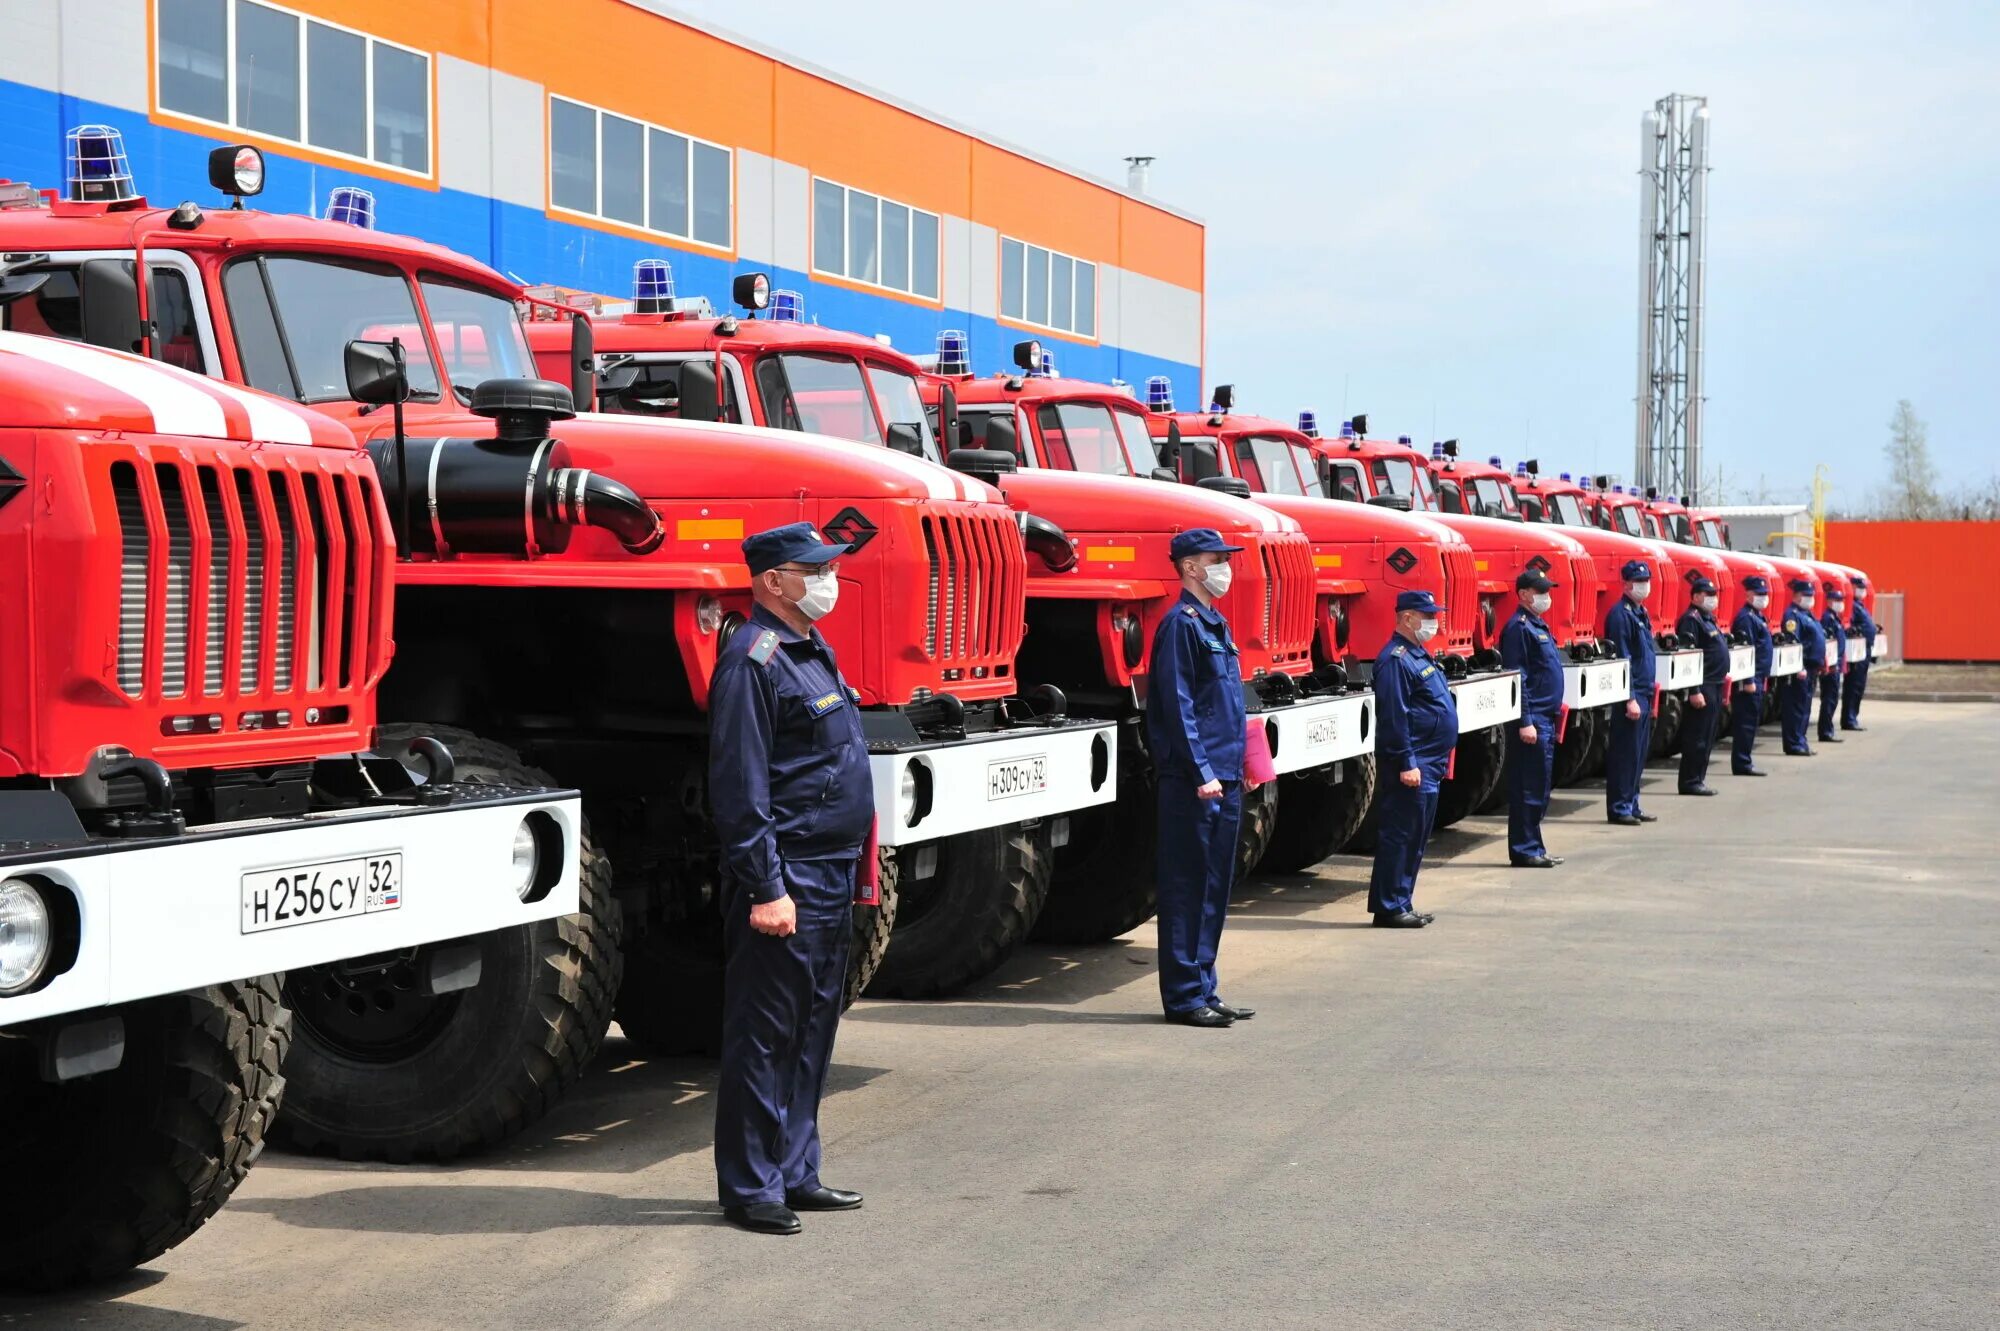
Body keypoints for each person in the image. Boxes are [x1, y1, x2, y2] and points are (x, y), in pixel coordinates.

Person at [710, 521, 872, 1236]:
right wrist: (767, 887)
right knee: (766, 1034)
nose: (830, 577)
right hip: (791, 874)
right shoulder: (754, 658)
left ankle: (796, 1170)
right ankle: (751, 1186)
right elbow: (741, 789)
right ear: (773, 580)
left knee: (811, 1030)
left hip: (831, 869)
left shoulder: (810, 649)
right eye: (815, 568)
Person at [1147, 529, 1259, 1028]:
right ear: (1191, 567)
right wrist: (1201, 772)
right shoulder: (1181, 625)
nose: (1226, 568)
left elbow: (1229, 705)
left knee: (1214, 886)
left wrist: (1244, 767)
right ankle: (1184, 996)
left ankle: (1205, 988)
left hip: (1226, 775)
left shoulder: (1215, 623)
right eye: (1217, 560)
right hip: (1196, 779)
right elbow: (1177, 706)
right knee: (1187, 886)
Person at [1369, 590, 1458, 927]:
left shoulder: (1419, 655)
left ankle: (1402, 900)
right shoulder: (1396, 659)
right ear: (1407, 618)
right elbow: (1395, 716)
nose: (1434, 622)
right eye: (1428, 615)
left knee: (1417, 834)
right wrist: (1407, 761)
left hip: (1430, 762)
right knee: (1401, 834)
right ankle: (1389, 906)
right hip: (1414, 761)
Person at [1499, 568, 1565, 868]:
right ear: (1524, 594)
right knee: (1528, 785)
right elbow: (1518, 677)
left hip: (1546, 716)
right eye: (1540, 592)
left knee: (1540, 784)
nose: (1546, 597)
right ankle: (1524, 849)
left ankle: (1534, 845)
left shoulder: (1538, 624)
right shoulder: (1518, 627)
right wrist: (1525, 719)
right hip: (1533, 718)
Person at [1601, 559, 1659, 825]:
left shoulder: (1640, 612)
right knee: (1625, 753)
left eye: (1646, 581)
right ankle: (1620, 807)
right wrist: (1630, 698)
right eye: (1638, 582)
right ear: (1625, 584)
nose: (1643, 586)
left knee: (1637, 752)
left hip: (1645, 691)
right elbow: (1623, 659)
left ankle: (1632, 803)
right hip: (1632, 696)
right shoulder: (1620, 614)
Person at [1675, 576, 1731, 796]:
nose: (1712, 599)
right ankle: (1690, 781)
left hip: (1715, 685)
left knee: (1707, 736)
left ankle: (1698, 778)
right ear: (1696, 596)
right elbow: (1688, 658)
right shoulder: (1692, 619)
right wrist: (1694, 691)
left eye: (1714, 595)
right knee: (1697, 736)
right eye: (1708, 595)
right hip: (1703, 686)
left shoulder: (1708, 618)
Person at [1729, 574, 1774, 776]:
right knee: (1745, 723)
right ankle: (1742, 763)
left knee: (1751, 721)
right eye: (1758, 594)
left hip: (1758, 677)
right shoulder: (1746, 618)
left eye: (1765, 594)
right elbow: (1745, 651)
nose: (1763, 597)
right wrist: (1748, 679)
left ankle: (1745, 760)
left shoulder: (1758, 616)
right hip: (1751, 679)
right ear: (1748, 595)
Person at [1780, 577, 1826, 757]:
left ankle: (1801, 741)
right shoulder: (1792, 615)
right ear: (1797, 596)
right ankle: (1793, 743)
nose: (1810, 598)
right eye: (1807, 595)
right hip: (1802, 668)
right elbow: (1793, 642)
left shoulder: (1807, 614)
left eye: (1812, 595)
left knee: (1804, 707)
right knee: (1796, 707)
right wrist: (1798, 666)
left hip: (1811, 668)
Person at [1842, 575, 1877, 730]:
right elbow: (1848, 625)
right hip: (1857, 650)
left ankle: (1853, 717)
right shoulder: (1852, 605)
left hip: (1864, 649)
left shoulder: (1860, 605)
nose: (1862, 591)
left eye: (1864, 588)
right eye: (1859, 588)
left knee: (1859, 685)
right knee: (1853, 685)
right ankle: (1849, 719)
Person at [1817, 581, 1849, 745]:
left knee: (1832, 698)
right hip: (1831, 665)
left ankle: (1828, 730)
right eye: (1837, 601)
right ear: (1829, 602)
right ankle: (1825, 731)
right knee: (1829, 698)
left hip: (1836, 663)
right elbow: (1828, 642)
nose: (1840, 604)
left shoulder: (1835, 618)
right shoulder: (1828, 618)